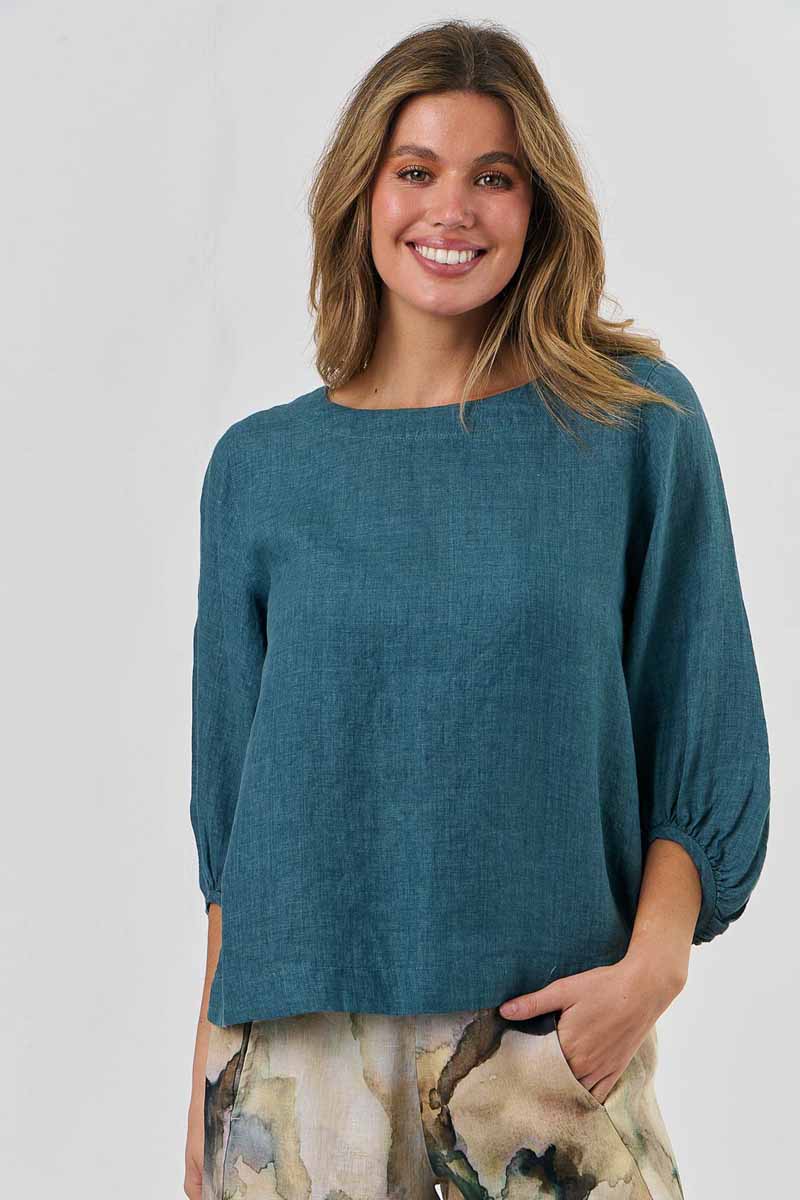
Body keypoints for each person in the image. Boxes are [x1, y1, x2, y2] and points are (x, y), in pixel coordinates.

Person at [183, 19, 770, 1200]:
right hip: (297, 1073)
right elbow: (233, 826)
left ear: (536, 203)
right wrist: (204, 1092)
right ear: (362, 193)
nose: (449, 209)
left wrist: (650, 973)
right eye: (416, 170)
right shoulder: (261, 470)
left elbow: (699, 722)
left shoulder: (631, 427)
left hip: (543, 1055)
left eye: (492, 177)